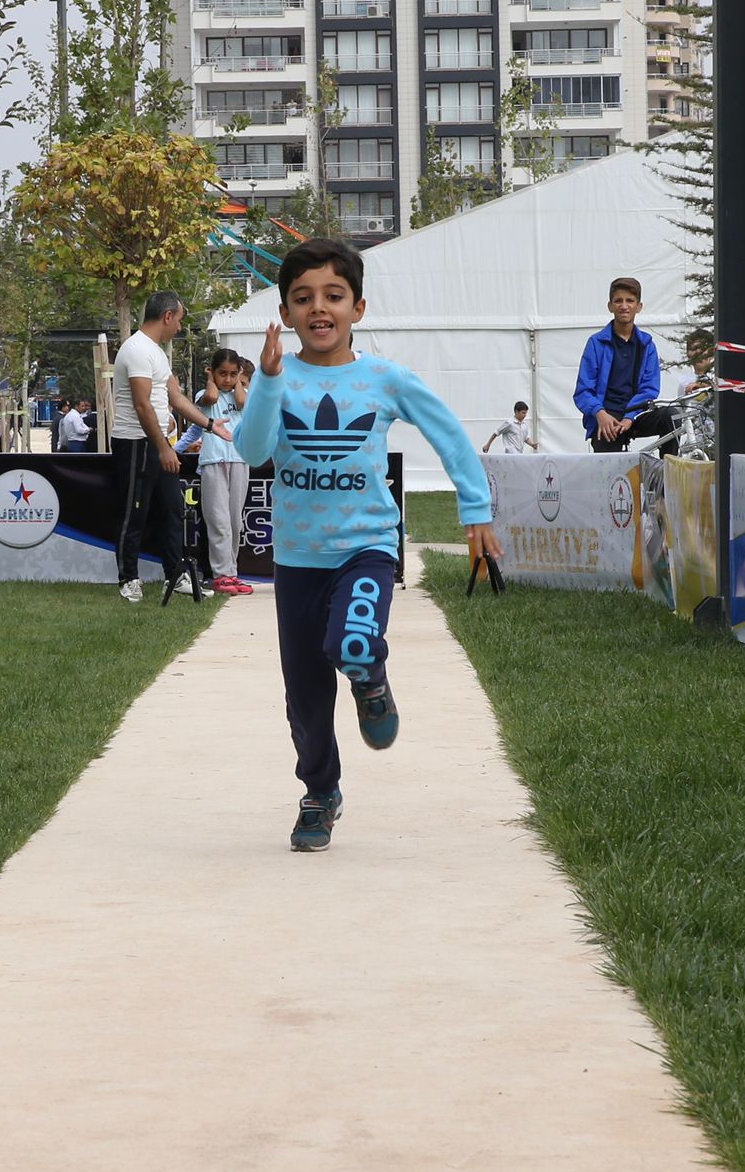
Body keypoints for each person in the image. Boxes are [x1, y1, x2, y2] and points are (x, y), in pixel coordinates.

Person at [234, 239, 502, 852]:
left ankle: (370, 680)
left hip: (367, 548)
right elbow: (252, 451)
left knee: (352, 644)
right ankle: (320, 793)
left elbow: (447, 432)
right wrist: (268, 381)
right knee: (305, 696)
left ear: (358, 308)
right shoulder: (277, 376)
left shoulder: (384, 378)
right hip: (297, 560)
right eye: (303, 298)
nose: (318, 308)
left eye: (333, 296)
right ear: (285, 311)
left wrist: (475, 509)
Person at [111, 292, 232, 603]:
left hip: (156, 441)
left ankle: (175, 575)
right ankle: (128, 579)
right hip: (135, 442)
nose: (179, 327)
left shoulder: (156, 352)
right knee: (134, 512)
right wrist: (164, 448)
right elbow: (142, 405)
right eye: (178, 320)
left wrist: (210, 424)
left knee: (172, 509)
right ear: (167, 316)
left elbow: (175, 399)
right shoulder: (137, 349)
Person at [573, 276, 673, 452]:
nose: (624, 306)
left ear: (639, 306)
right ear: (610, 306)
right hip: (606, 417)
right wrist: (600, 414)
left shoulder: (646, 344)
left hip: (636, 414)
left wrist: (630, 417)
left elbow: (649, 388)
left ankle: (667, 467)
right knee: (609, 466)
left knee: (672, 416)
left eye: (630, 301)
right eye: (618, 301)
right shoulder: (596, 343)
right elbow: (583, 391)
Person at [194, 349, 253, 596]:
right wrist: (210, 379)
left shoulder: (243, 394)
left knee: (234, 522)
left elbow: (241, 401)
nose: (227, 379)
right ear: (212, 372)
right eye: (222, 374)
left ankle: (232, 572)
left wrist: (239, 380)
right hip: (213, 462)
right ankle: (221, 575)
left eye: (233, 374)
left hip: (239, 460)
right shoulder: (205, 394)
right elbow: (210, 396)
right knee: (218, 520)